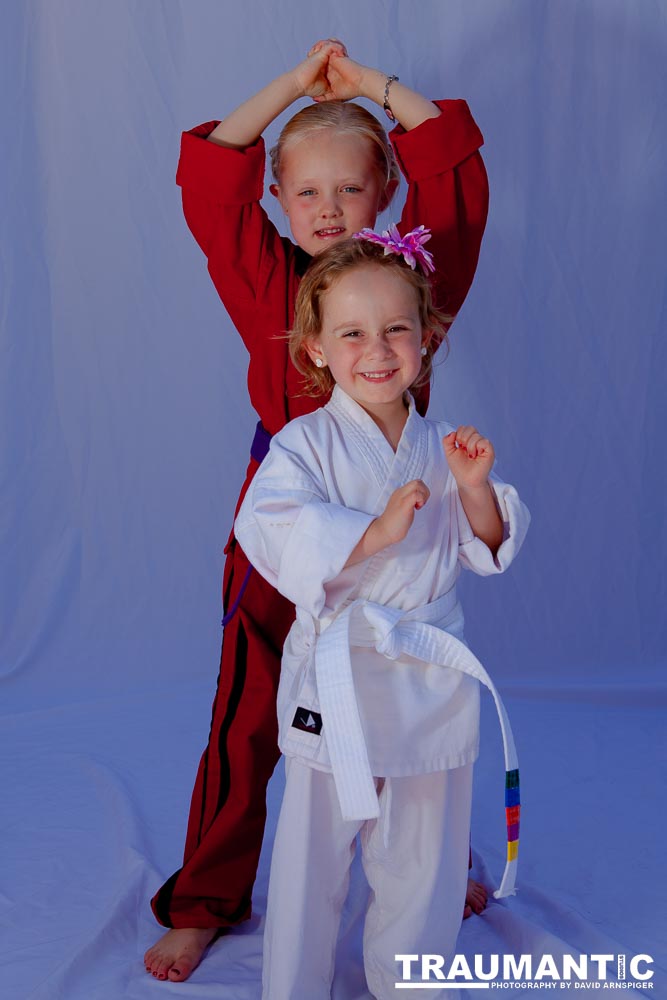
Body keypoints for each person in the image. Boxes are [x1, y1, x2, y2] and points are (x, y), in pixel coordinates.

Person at [144, 38, 490, 983]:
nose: (329, 209)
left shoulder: (415, 279)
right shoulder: (270, 277)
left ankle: (432, 856)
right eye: (305, 193)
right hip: (290, 509)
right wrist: (300, 85)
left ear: (384, 193)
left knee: (411, 678)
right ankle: (211, 894)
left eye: (350, 188)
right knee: (252, 701)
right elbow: (212, 177)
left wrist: (372, 87)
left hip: (403, 505)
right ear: (279, 202)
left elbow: (452, 171)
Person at [234, 233, 530, 998]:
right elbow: (268, 525)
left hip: (428, 681)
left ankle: (408, 986)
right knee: (310, 861)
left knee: (424, 866)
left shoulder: (442, 445)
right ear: (316, 348)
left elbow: (488, 549)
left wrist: (471, 487)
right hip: (338, 679)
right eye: (353, 333)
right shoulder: (302, 444)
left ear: (426, 338)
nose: (377, 349)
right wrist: (373, 534)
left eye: (397, 329)